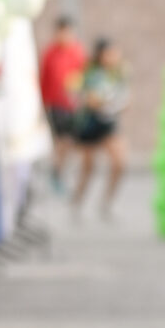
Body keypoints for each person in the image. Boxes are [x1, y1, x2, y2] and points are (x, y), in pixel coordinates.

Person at [69, 39, 128, 219]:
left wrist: (119, 104)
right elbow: (90, 100)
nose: (114, 57)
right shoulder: (92, 75)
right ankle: (77, 202)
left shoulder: (119, 74)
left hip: (108, 124)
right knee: (88, 168)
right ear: (101, 55)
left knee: (119, 163)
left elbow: (125, 98)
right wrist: (104, 101)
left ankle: (107, 203)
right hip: (91, 124)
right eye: (110, 53)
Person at [39, 17, 87, 191]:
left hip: (73, 105)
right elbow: (44, 80)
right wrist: (43, 103)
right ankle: (56, 172)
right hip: (56, 104)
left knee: (70, 142)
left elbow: (84, 77)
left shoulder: (78, 52)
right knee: (62, 140)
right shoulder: (50, 53)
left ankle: (59, 170)